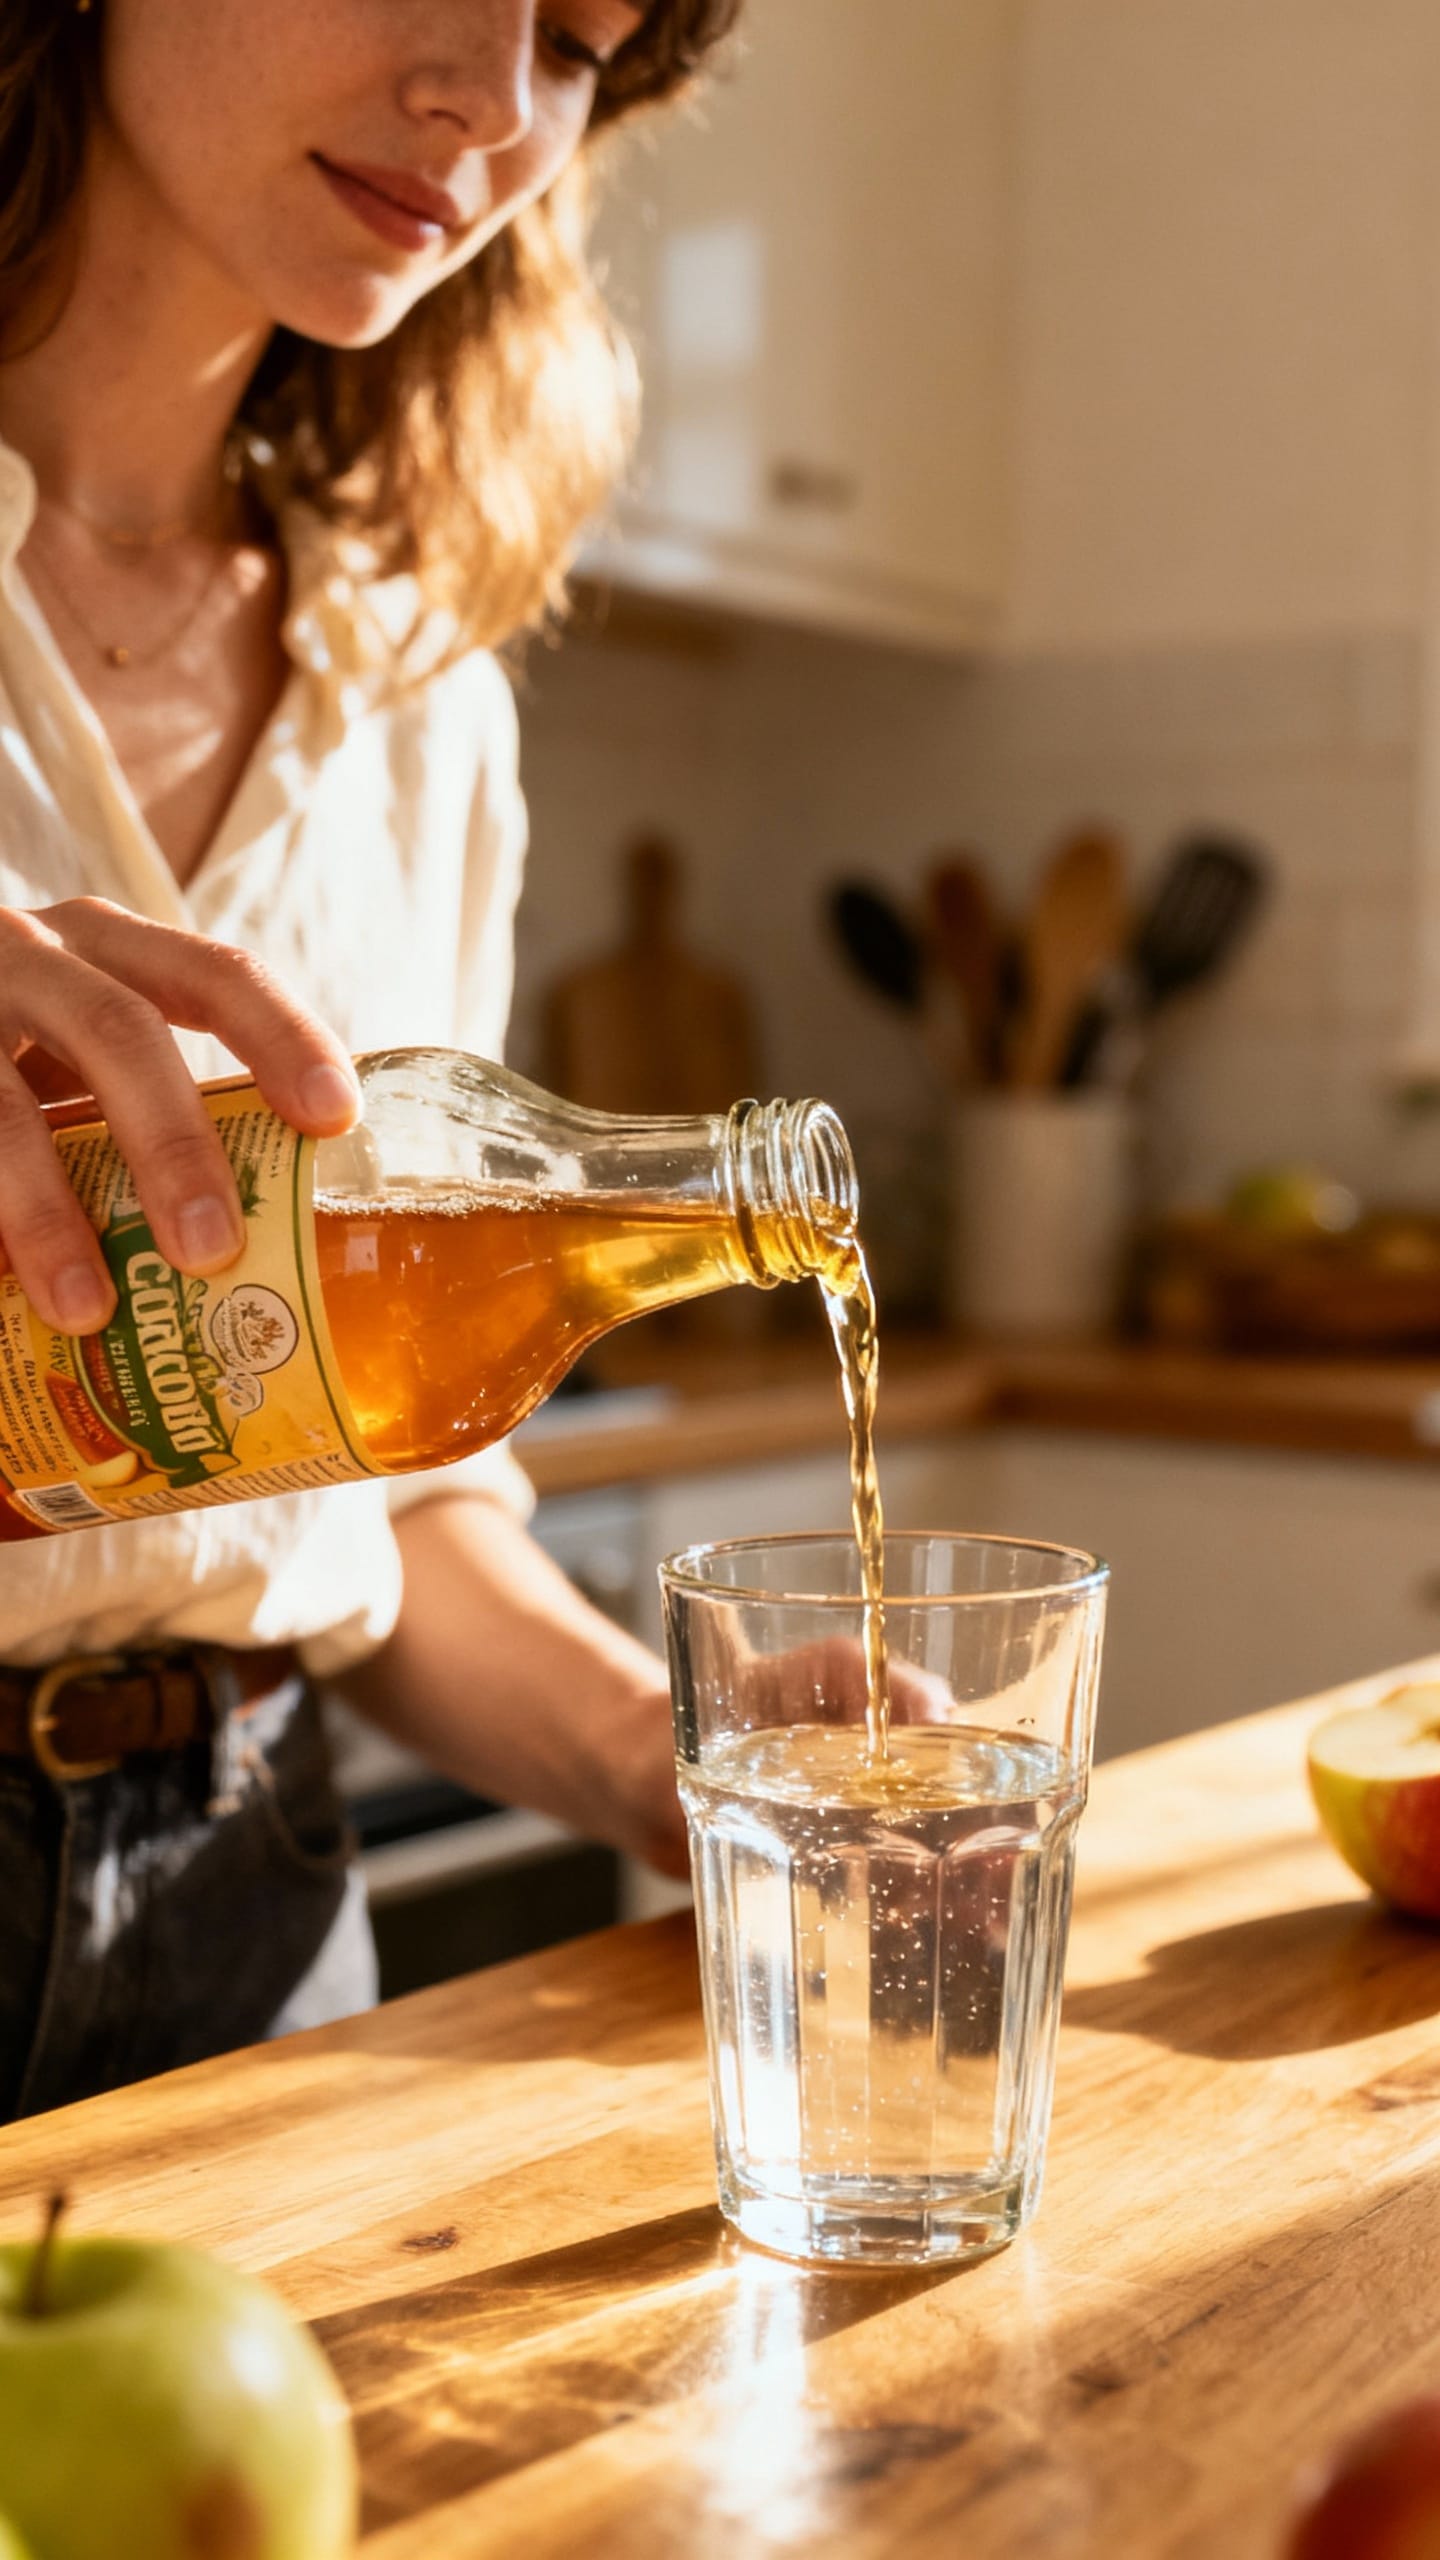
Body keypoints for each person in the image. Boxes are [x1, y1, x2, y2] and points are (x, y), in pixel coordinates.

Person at [0, 0, 740, 2121]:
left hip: (254, 1912)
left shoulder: (421, 698)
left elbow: (387, 1497)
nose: (497, 103)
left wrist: (685, 1762)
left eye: (587, 44)